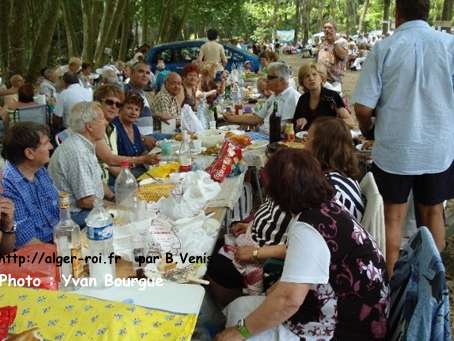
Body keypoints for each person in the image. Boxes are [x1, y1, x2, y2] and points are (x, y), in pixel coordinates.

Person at [215, 148, 389, 341]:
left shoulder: (308, 228)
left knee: (238, 323)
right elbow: (306, 260)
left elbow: (289, 301)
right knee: (240, 308)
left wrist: (240, 332)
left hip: (345, 329)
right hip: (362, 315)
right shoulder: (328, 206)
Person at [352, 0, 454, 276]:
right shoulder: (449, 45)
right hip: (438, 148)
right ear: (428, 12)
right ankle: (431, 282)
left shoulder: (384, 48)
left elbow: (362, 107)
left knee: (392, 217)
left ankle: (389, 285)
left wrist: (367, 129)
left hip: (395, 148)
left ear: (397, 14)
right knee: (433, 212)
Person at [49, 102, 113, 227]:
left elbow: (96, 182)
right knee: (123, 218)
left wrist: (114, 197)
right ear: (89, 126)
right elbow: (85, 201)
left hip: (87, 206)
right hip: (74, 215)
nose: (105, 122)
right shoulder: (78, 151)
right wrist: (116, 208)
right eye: (101, 119)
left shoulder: (84, 144)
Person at [2, 122, 59, 248]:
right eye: (45, 143)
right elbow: (25, 241)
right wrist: (63, 253)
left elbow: (58, 213)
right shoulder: (8, 185)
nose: (51, 147)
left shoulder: (39, 169)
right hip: (37, 254)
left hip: (57, 240)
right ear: (29, 153)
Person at [94, 85, 159, 185]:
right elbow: (109, 160)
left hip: (124, 175)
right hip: (111, 181)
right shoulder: (95, 127)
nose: (114, 106)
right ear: (98, 104)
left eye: (117, 104)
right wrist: (132, 179)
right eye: (109, 102)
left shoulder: (112, 127)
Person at [305, 117, 364, 221]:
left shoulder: (329, 190)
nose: (304, 145)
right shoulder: (343, 173)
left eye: (308, 139)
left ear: (321, 147)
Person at [223, 62, 300, 136]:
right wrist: (232, 118)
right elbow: (257, 118)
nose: (267, 80)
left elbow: (286, 129)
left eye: (270, 77)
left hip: (269, 139)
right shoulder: (275, 95)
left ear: (282, 80)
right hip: (261, 134)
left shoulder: (292, 96)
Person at [293, 62, 354, 131]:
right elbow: (294, 126)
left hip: (329, 137)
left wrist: (331, 124)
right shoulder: (302, 99)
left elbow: (350, 122)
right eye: (307, 76)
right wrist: (299, 123)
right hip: (307, 138)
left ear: (321, 78)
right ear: (302, 82)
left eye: (314, 74)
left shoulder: (332, 96)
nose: (311, 78)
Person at [113, 94, 156, 177]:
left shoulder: (135, 128)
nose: (133, 112)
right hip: (124, 174)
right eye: (129, 108)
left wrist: (152, 156)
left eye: (137, 110)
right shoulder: (114, 127)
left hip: (139, 169)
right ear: (120, 109)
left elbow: (142, 152)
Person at [123, 62, 154, 135]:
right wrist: (142, 139)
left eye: (147, 73)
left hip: (149, 136)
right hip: (139, 140)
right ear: (131, 73)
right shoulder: (126, 93)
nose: (144, 75)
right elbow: (121, 124)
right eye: (141, 71)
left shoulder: (141, 93)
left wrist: (158, 115)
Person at [317, 21, 348, 92]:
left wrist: (334, 42)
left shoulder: (341, 42)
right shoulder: (322, 44)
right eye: (325, 28)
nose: (327, 29)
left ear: (335, 30)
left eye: (330, 28)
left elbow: (342, 56)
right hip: (321, 80)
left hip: (334, 82)